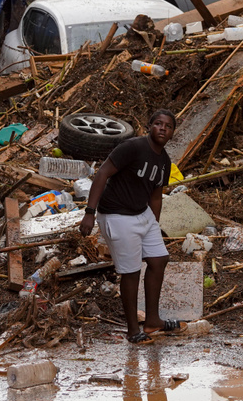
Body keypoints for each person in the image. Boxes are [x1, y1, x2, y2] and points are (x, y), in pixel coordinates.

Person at [79, 109, 185, 344]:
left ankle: (152, 321)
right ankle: (132, 330)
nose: (162, 128)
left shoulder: (164, 161)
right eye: (158, 123)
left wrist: (154, 225)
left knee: (159, 260)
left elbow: (156, 195)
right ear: (149, 126)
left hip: (143, 214)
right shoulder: (133, 147)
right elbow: (103, 173)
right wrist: (89, 212)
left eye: (168, 126)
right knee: (131, 271)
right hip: (117, 215)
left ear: (172, 134)